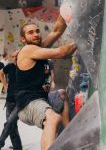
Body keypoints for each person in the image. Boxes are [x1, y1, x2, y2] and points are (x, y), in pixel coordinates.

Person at [15, 15, 77, 150]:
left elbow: (56, 31)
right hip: (28, 103)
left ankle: (68, 134)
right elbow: (63, 52)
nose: (36, 34)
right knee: (53, 119)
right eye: (31, 32)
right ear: (23, 39)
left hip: (42, 99)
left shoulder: (38, 49)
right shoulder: (28, 50)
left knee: (61, 94)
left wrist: (65, 9)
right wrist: (82, 38)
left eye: (37, 31)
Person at [0, 51, 22, 150]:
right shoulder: (10, 66)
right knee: (12, 125)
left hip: (21, 100)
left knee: (10, 122)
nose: (14, 58)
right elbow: (0, 73)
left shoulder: (26, 67)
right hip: (9, 99)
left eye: (16, 56)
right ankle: (17, 147)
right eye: (13, 56)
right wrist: (5, 85)